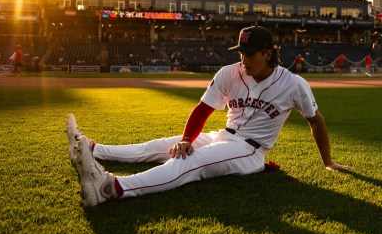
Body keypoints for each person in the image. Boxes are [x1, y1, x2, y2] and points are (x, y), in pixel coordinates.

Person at [66, 25, 351, 207]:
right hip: (224, 136)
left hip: (250, 151)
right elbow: (203, 109)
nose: (244, 59)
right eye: (241, 52)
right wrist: (188, 138)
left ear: (267, 53)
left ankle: (112, 188)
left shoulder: (293, 84)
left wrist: (328, 162)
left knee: (190, 162)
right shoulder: (230, 72)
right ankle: (91, 148)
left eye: (250, 54)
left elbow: (315, 120)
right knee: (161, 145)